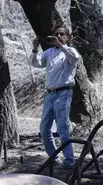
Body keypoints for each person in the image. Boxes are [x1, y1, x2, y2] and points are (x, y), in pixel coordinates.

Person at [29, 26, 81, 169]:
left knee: (63, 128)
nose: (58, 36)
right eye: (56, 34)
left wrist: (60, 45)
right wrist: (35, 48)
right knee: (44, 129)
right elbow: (36, 63)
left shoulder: (70, 52)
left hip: (64, 93)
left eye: (62, 34)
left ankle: (69, 161)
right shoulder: (49, 52)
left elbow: (75, 58)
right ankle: (54, 158)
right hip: (49, 94)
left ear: (68, 37)